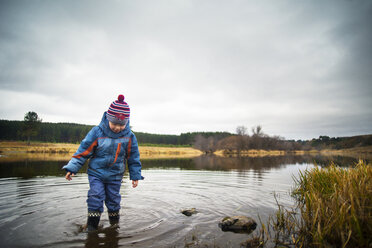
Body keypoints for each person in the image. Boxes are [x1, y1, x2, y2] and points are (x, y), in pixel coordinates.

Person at [63, 94, 144, 231]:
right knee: (95, 196)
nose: (117, 128)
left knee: (113, 201)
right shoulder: (97, 132)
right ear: (108, 118)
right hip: (96, 173)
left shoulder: (129, 136)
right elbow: (83, 150)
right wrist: (72, 167)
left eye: (121, 124)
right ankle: (91, 227)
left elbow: (133, 157)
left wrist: (135, 175)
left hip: (115, 176)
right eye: (115, 123)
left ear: (126, 122)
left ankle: (114, 226)